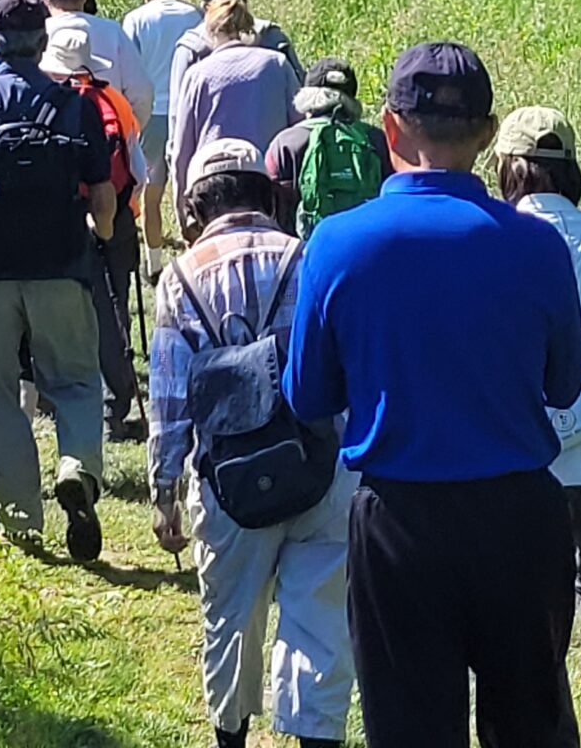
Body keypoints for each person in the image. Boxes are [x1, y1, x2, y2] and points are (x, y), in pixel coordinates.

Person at [282, 42, 581, 748]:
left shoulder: (337, 243)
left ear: (389, 128)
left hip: (399, 518)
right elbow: (565, 381)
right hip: (519, 513)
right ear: (487, 135)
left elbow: (308, 394)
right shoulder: (537, 246)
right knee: (532, 724)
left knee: (411, 726)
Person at [152, 139, 355, 748]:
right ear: (268, 195)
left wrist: (164, 488)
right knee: (318, 616)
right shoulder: (308, 257)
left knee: (231, 619)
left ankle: (232, 734)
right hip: (318, 462)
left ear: (195, 208)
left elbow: (169, 393)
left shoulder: (180, 279)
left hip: (227, 475)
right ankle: (315, 735)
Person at [0, 0, 118, 559]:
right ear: (43, 44)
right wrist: (100, 238)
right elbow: (104, 195)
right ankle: (76, 469)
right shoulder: (75, 106)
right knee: (79, 380)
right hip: (61, 265)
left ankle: (19, 517)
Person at [494, 107, 581, 748]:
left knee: (536, 603)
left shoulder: (497, 241)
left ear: (509, 169)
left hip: (531, 457)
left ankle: (554, 729)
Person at [42, 19, 151, 442]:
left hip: (61, 218)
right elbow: (136, 167)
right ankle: (114, 405)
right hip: (116, 215)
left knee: (59, 309)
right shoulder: (114, 101)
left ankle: (57, 398)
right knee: (112, 308)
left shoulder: (46, 102)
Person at [169, 0, 304, 217]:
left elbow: (182, 149)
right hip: (267, 184)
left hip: (214, 185)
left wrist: (182, 210)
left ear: (210, 30)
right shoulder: (276, 63)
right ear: (248, 26)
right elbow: (298, 130)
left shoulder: (197, 75)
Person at [125, 0, 205, 259]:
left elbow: (130, 68)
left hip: (151, 113)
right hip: (188, 110)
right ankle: (197, 254)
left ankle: (154, 261)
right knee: (193, 186)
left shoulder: (136, 19)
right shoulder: (195, 15)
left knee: (152, 193)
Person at [265, 60, 388, 236]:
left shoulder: (286, 142)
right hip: (367, 245)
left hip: (306, 252)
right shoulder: (375, 139)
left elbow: (273, 208)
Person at [168, 0, 303, 111]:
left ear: (204, 7)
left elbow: (178, 109)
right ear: (245, 1)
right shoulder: (273, 37)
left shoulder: (191, 48)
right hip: (272, 131)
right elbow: (298, 94)